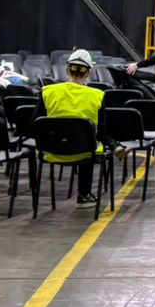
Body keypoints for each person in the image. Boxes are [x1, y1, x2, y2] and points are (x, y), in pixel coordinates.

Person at [41, 49, 103, 205]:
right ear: (88, 73)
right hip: (84, 153)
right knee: (91, 141)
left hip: (51, 151)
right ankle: (84, 195)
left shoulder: (47, 92)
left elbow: (35, 125)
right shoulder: (98, 96)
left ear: (67, 70)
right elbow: (103, 130)